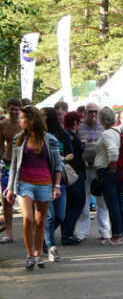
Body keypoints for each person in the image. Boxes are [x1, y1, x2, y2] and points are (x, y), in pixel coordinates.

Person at [5, 106, 62, 270]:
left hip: (44, 183)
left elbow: (58, 166)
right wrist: (10, 188)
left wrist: (56, 186)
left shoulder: (50, 139)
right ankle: (29, 255)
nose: (20, 120)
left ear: (32, 120)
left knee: (40, 221)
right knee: (28, 219)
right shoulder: (19, 139)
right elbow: (14, 167)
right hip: (25, 183)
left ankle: (38, 255)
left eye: (23, 118)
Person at [74, 102, 111, 242]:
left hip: (100, 169)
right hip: (86, 169)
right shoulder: (80, 127)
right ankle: (82, 232)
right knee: (84, 201)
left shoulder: (102, 126)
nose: (93, 114)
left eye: (96, 111)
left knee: (102, 202)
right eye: (90, 111)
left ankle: (105, 231)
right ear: (85, 113)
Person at [42, 107, 72, 262]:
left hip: (60, 179)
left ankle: (44, 236)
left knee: (60, 216)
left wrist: (63, 158)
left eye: (44, 115)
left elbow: (71, 152)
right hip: (43, 180)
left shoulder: (61, 134)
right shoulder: (38, 136)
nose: (41, 118)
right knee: (49, 216)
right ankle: (49, 243)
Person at [95, 106, 123, 245]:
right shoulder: (119, 130)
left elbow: (113, 151)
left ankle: (115, 236)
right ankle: (121, 234)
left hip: (108, 171)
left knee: (112, 203)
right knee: (119, 203)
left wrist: (111, 166)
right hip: (117, 171)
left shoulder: (107, 133)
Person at [61, 111, 86, 245]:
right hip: (74, 174)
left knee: (70, 204)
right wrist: (82, 145)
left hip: (70, 173)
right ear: (75, 122)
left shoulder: (66, 134)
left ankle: (66, 232)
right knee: (78, 202)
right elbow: (74, 152)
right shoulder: (70, 136)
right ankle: (68, 233)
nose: (81, 124)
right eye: (79, 121)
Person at [0, 97, 22, 244]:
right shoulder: (2, 125)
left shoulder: (24, 124)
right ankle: (9, 232)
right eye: (11, 109)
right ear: (7, 110)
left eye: (16, 109)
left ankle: (32, 228)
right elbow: (0, 146)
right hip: (7, 163)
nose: (14, 112)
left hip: (23, 164)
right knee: (6, 199)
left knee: (27, 197)